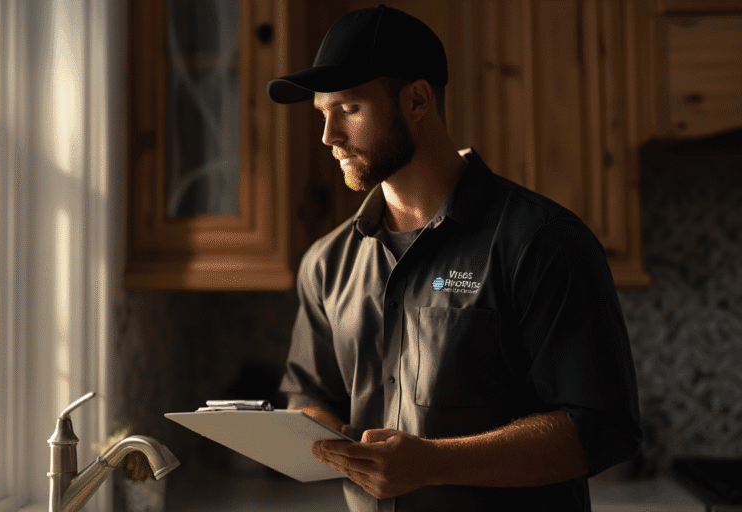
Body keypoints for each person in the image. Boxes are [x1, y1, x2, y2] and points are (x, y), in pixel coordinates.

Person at [268, 5, 641, 511]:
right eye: (322, 113)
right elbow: (309, 396)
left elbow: (600, 427)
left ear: (417, 100)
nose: (329, 137)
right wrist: (334, 442)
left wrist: (433, 462)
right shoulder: (327, 263)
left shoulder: (542, 241)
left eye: (349, 109)